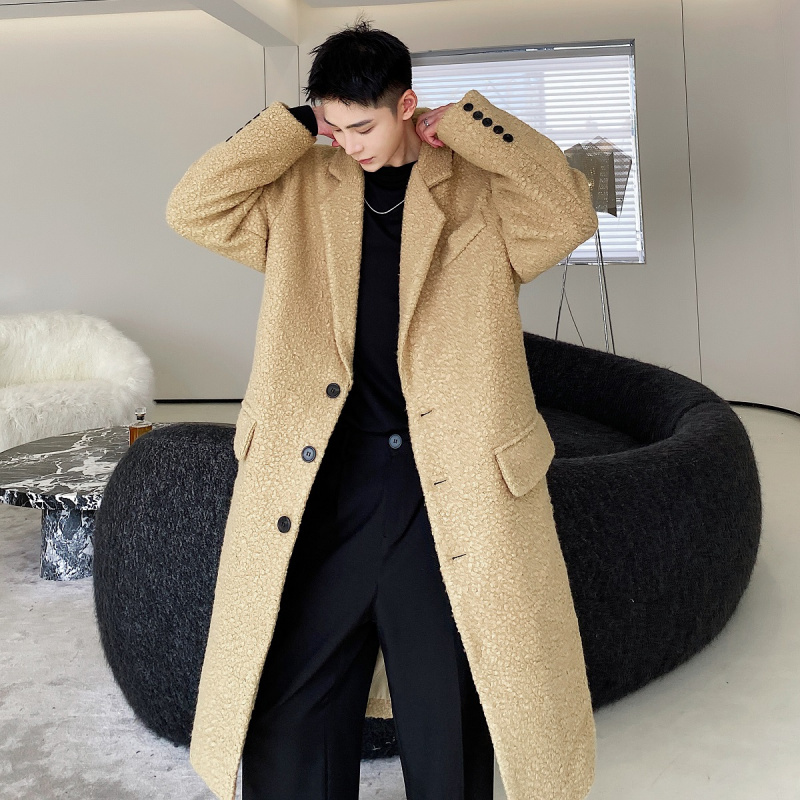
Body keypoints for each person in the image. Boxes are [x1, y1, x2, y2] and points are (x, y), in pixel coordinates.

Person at [166, 14, 598, 800]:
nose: (347, 143)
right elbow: (193, 207)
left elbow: (568, 212)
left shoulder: (479, 193)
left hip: (445, 483)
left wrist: (470, 124)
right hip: (325, 476)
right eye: (332, 126)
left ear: (406, 105)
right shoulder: (302, 188)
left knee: (447, 703)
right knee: (291, 702)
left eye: (360, 126)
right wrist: (291, 128)